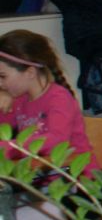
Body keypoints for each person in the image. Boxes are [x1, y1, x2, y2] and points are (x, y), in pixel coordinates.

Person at [0, 29, 94, 172]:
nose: (0, 83)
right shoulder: (19, 99)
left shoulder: (59, 98)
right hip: (41, 173)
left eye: (3, 76)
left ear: (30, 72)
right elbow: (3, 129)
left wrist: (9, 147)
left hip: (74, 177)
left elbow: (57, 140)